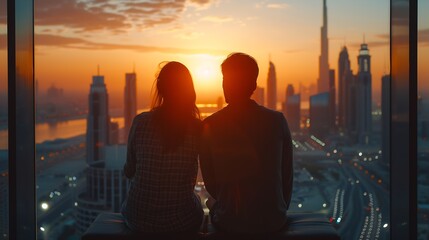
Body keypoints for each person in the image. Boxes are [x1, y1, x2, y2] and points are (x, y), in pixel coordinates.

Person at [200, 53, 293, 234]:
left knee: (208, 202)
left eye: (227, 80)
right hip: (273, 220)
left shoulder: (210, 125)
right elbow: (286, 176)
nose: (225, 86)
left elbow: (210, 183)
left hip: (230, 222)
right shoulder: (277, 120)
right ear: (254, 86)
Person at [121, 61, 203, 233]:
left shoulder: (140, 122)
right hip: (180, 222)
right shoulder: (196, 128)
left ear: (160, 88)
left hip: (137, 218)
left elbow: (129, 171)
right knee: (199, 206)